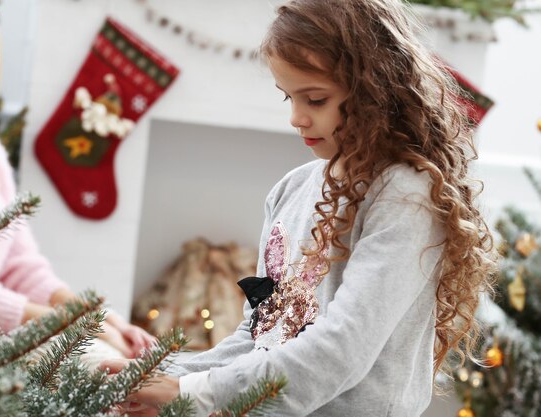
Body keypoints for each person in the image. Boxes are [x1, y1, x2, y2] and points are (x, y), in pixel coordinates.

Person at [101, 0, 496, 415]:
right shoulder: (291, 189)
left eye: (315, 100)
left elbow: (344, 348)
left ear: (375, 92)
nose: (295, 118)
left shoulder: (405, 195)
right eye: (287, 97)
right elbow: (259, 336)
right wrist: (170, 380)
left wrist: (194, 392)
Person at [0, 0, 153, 359]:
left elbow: (21, 264)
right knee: (107, 364)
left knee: (124, 345)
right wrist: (75, 324)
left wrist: (97, 317)